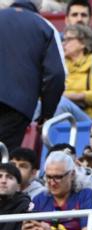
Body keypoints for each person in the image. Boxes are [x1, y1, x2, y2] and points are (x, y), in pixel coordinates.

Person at [0, 0, 65, 151]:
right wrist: (46, 114)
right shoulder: (44, 26)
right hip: (17, 105)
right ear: (40, 5)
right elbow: (56, 74)